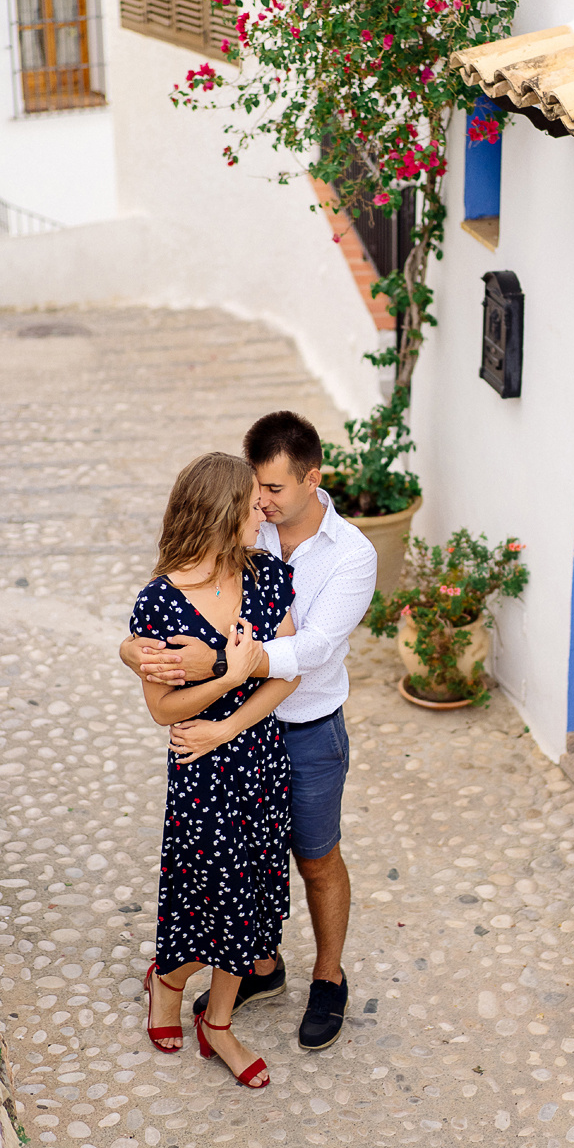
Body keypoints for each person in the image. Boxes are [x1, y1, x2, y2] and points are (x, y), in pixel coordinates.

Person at [120, 412, 377, 1050]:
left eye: (274, 491)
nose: (261, 501)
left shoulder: (352, 556)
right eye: (254, 488)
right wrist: (133, 649)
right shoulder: (246, 540)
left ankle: (327, 976)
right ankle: (260, 967)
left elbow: (309, 652)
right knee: (239, 866)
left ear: (311, 481)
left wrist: (216, 666)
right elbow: (175, 604)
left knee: (315, 860)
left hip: (308, 729)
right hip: (234, 744)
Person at [129, 451, 299, 1088]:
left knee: (250, 901)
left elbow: (290, 669)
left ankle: (219, 1022)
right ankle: (169, 979)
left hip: (256, 758)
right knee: (207, 897)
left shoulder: (265, 576)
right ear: (225, 513)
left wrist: (231, 713)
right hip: (201, 774)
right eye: (254, 503)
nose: (265, 513)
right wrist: (225, 677)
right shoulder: (159, 604)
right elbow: (163, 708)